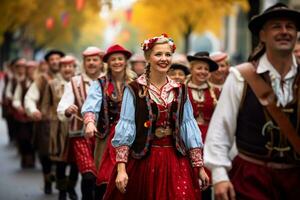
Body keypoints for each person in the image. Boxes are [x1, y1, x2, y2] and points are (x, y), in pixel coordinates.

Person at [204, 3, 300, 200]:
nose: (284, 31)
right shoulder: (241, 77)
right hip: (250, 180)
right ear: (263, 35)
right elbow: (220, 130)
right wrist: (220, 175)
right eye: (276, 26)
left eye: (289, 26)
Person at [103, 34, 209, 200]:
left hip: (176, 160)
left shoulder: (180, 90)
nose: (164, 59)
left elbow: (188, 127)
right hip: (144, 160)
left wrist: (199, 167)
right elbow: (127, 127)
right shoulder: (134, 89)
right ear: (148, 57)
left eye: (168, 54)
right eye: (158, 54)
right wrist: (121, 169)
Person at [82, 44, 135, 199]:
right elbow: (91, 105)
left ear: (125, 61)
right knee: (105, 177)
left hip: (131, 137)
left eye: (120, 59)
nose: (117, 62)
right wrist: (90, 122)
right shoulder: (100, 84)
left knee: (128, 177)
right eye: (113, 59)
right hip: (106, 138)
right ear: (108, 63)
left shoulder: (136, 83)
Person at [57, 47, 104, 200]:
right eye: (88, 60)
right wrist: (67, 109)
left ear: (101, 62)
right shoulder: (75, 82)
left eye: (95, 59)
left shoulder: (108, 80)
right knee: (88, 175)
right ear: (83, 63)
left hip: (104, 136)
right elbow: (63, 105)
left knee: (101, 177)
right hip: (80, 135)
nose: (91, 63)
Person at [25, 49, 65, 194]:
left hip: (65, 123)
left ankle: (62, 187)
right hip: (46, 123)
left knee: (63, 156)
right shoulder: (41, 79)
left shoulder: (69, 77)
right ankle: (47, 180)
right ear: (48, 63)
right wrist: (33, 110)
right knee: (45, 154)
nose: (55, 61)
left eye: (57, 58)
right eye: (52, 59)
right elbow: (30, 97)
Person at [42, 55, 79, 200]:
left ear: (74, 68)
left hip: (76, 127)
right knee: (60, 162)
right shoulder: (52, 84)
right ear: (61, 68)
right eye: (65, 66)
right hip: (57, 128)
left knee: (76, 162)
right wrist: (48, 119)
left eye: (70, 66)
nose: (68, 69)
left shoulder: (80, 83)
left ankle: (71, 187)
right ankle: (62, 191)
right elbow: (45, 105)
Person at [185, 52, 219, 200]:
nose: (203, 72)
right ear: (191, 69)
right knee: (188, 177)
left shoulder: (215, 92)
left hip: (208, 140)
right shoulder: (181, 89)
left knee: (206, 181)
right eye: (199, 68)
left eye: (206, 69)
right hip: (187, 140)